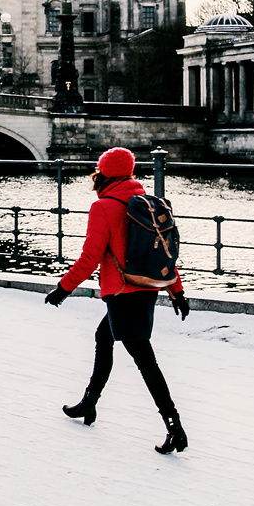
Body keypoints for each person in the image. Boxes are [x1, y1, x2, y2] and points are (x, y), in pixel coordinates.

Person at [44, 146, 191, 454]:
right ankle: (89, 403)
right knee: (103, 336)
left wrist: (63, 288)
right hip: (146, 287)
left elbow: (90, 257)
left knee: (145, 360)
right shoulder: (148, 203)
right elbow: (163, 253)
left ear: (104, 173)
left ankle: (174, 427)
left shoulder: (105, 207)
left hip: (123, 292)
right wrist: (176, 292)